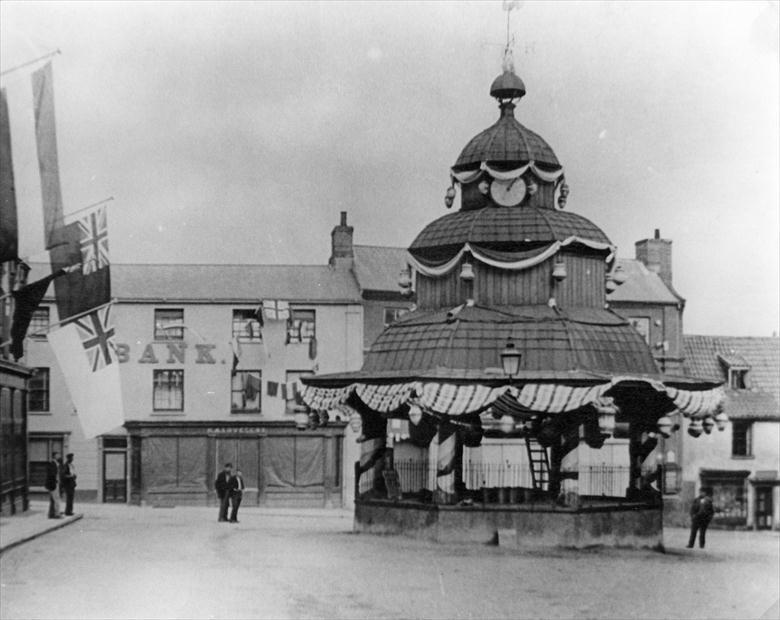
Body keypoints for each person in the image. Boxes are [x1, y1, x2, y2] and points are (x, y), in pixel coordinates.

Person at [45, 451, 62, 519]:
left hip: (55, 484)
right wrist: (55, 481)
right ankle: (56, 514)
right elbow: (52, 475)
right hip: (54, 484)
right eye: (58, 455)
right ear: (55, 456)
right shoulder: (52, 464)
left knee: (53, 500)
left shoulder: (56, 464)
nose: (59, 456)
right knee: (56, 499)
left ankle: (51, 514)